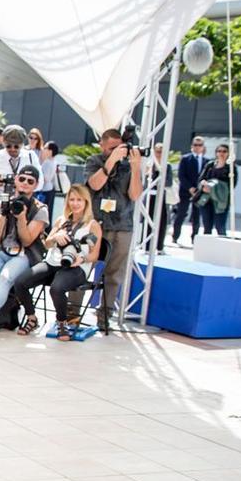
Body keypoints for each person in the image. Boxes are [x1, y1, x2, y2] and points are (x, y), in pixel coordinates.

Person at [11, 184, 102, 341]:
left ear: (86, 202)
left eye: (79, 200)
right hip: (53, 263)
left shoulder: (92, 225)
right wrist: (56, 237)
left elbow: (94, 255)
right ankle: (32, 318)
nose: (75, 203)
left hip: (76, 267)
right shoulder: (62, 220)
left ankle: (62, 322)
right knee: (20, 282)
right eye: (72, 199)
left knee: (56, 288)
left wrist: (82, 258)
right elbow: (47, 243)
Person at [0, 163, 48, 334]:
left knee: (5, 277)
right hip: (1, 251)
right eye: (22, 179)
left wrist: (21, 218)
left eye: (30, 180)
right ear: (16, 181)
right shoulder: (3, 203)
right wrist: (5, 213)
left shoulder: (41, 209)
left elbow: (27, 241)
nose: (25, 183)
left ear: (36, 185)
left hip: (23, 255)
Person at [84, 128, 142, 332]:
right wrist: (111, 161)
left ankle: (105, 314)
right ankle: (72, 314)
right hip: (96, 224)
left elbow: (135, 195)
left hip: (122, 225)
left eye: (119, 148)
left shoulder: (128, 165)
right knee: (82, 267)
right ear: (102, 145)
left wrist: (135, 168)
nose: (116, 152)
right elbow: (94, 184)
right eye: (111, 148)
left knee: (114, 273)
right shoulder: (94, 161)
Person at [0, 125, 41, 213]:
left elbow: (40, 183)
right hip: (0, 208)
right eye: (8, 146)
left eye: (16, 146)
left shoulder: (31, 157)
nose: (12, 149)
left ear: (22, 144)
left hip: (24, 208)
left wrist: (23, 184)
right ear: (3, 142)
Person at [172, 136, 208, 245]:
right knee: (181, 214)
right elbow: (181, 175)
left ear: (203, 147)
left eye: (200, 145)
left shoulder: (207, 161)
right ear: (192, 146)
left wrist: (199, 189)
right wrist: (190, 188)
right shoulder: (185, 159)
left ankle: (194, 239)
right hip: (185, 191)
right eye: (195, 145)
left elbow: (206, 176)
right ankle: (175, 236)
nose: (197, 147)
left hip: (199, 193)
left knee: (196, 216)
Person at [197, 143, 237, 236]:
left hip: (221, 200)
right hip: (207, 199)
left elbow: (232, 184)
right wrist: (203, 184)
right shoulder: (210, 164)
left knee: (220, 226)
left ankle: (223, 248)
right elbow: (201, 178)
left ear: (228, 153)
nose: (221, 153)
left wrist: (214, 188)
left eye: (224, 151)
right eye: (219, 151)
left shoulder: (231, 167)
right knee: (207, 226)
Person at [146, 143, 171, 253]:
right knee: (148, 220)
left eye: (162, 151)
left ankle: (160, 246)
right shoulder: (149, 165)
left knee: (162, 221)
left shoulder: (167, 166)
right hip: (149, 196)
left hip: (161, 196)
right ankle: (146, 246)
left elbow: (168, 182)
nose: (159, 154)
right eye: (157, 151)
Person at [38, 141, 58, 208]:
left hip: (44, 190)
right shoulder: (54, 161)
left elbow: (45, 178)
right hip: (50, 188)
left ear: (50, 151)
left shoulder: (47, 162)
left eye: (45, 148)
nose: (44, 149)